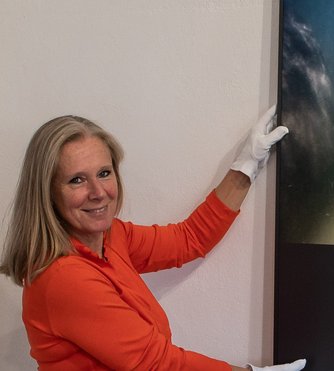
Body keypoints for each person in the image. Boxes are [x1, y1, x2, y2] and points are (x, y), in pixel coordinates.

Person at [0, 107, 306, 371]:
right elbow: (156, 364)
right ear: (48, 192)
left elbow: (188, 239)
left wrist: (246, 166)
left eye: (104, 173)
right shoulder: (63, 278)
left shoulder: (111, 237)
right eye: (76, 180)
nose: (98, 192)